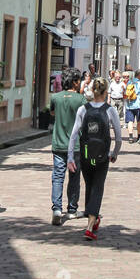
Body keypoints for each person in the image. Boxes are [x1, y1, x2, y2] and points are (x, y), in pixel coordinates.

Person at [67, 77, 122, 240]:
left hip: (85, 155)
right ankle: (90, 226)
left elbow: (74, 135)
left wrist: (70, 157)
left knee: (90, 186)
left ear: (92, 91)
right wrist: (114, 154)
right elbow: (119, 138)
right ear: (106, 92)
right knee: (98, 187)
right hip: (102, 156)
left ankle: (92, 217)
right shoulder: (110, 110)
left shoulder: (83, 109)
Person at [49, 67, 85, 224]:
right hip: (75, 145)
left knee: (58, 176)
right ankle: (72, 209)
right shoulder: (81, 100)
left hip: (58, 143)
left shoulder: (55, 97)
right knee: (74, 177)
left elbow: (52, 113)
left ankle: (57, 209)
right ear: (75, 82)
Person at [124, 68, 140, 141]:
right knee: (139, 121)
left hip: (129, 105)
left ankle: (130, 136)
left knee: (130, 121)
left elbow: (126, 93)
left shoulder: (129, 82)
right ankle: (139, 136)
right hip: (138, 105)